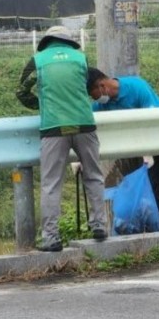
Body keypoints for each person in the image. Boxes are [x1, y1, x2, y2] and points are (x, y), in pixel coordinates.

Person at [16, 26, 108, 251]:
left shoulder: (37, 61)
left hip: (54, 128)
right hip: (84, 124)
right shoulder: (81, 58)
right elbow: (86, 86)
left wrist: (41, 105)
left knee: (51, 184)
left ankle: (51, 238)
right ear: (69, 41)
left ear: (47, 41)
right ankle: (99, 226)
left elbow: (21, 91)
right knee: (94, 176)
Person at [86, 67, 159, 230]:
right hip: (147, 143)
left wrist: (147, 149)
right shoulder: (102, 105)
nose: (93, 99)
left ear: (101, 86)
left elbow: (152, 117)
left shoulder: (137, 87)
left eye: (92, 94)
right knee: (153, 182)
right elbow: (88, 121)